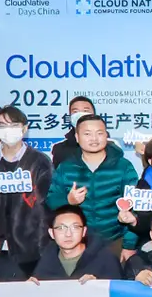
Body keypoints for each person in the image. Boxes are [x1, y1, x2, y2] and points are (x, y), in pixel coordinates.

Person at [0, 106, 54, 270]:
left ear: (24, 128)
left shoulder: (40, 161)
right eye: (2, 125)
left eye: (14, 125)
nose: (8, 130)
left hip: (32, 242)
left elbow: (47, 202)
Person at [48, 114, 141, 252]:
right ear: (77, 137)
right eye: (87, 134)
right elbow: (51, 200)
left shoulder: (123, 167)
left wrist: (129, 245)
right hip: (77, 243)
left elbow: (136, 207)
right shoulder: (66, 168)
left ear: (106, 135)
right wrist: (68, 200)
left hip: (115, 241)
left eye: (99, 133)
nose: (94, 138)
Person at [33, 206, 124, 281]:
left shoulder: (106, 259)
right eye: (61, 228)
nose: (68, 234)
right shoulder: (46, 260)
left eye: (75, 227)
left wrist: (98, 285)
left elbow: (118, 292)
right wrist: (30, 287)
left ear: (84, 231)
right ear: (51, 233)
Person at [49, 95, 97, 167]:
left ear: (94, 115)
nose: (80, 115)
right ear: (70, 117)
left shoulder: (110, 145)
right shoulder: (58, 149)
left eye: (85, 111)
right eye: (75, 111)